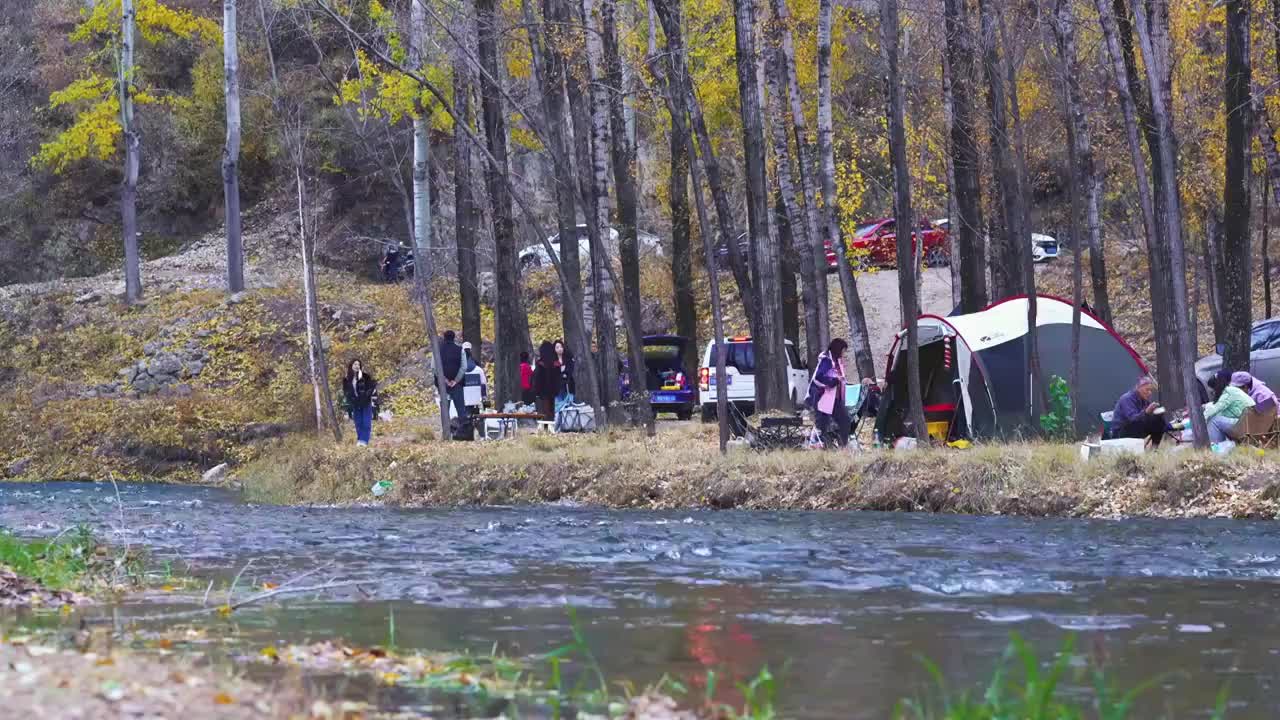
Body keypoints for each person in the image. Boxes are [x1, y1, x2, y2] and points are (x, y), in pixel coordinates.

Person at [1180, 371, 1255, 443]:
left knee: (1214, 420)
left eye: (1213, 391)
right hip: (1250, 422)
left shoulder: (1228, 392)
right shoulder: (1233, 391)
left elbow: (1213, 410)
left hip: (1245, 424)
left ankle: (1216, 447)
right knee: (1216, 417)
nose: (1212, 393)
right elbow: (1219, 407)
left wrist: (1191, 424)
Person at [806, 338, 850, 448]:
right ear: (838, 349)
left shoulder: (837, 361)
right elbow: (818, 378)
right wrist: (833, 381)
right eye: (843, 350)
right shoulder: (826, 360)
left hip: (834, 399)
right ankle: (816, 446)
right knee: (821, 425)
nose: (844, 354)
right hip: (822, 398)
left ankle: (842, 445)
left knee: (845, 420)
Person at [1111, 376, 1172, 447]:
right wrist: (1146, 412)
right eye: (1147, 390)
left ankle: (1154, 448)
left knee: (1158, 419)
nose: (1149, 393)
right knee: (1155, 421)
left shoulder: (1143, 399)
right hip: (1121, 431)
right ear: (1138, 388)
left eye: (1151, 390)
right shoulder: (1127, 399)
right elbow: (1133, 419)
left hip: (1134, 428)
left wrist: (1157, 412)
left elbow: (1147, 418)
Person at [342, 359, 377, 446]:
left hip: (365, 402)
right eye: (355, 364)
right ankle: (360, 439)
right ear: (351, 366)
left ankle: (364, 441)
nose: (357, 366)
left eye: (358, 365)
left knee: (366, 422)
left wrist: (367, 395)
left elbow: (372, 386)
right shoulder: (347, 379)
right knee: (358, 422)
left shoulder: (365, 376)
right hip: (355, 403)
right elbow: (346, 391)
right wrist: (350, 399)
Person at [438, 330, 468, 426]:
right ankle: (464, 432)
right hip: (457, 385)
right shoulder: (460, 350)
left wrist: (445, 380)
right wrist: (455, 380)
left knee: (445, 410)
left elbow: (435, 367)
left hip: (443, 385)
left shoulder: (438, 350)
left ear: (444, 337)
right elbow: (464, 367)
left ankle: (446, 433)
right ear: (454, 337)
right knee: (461, 410)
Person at [533, 341, 562, 420]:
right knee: (552, 408)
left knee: (544, 409)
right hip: (553, 390)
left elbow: (537, 378)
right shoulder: (556, 363)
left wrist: (536, 390)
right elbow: (559, 378)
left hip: (543, 390)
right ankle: (551, 422)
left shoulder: (540, 364)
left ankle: (546, 423)